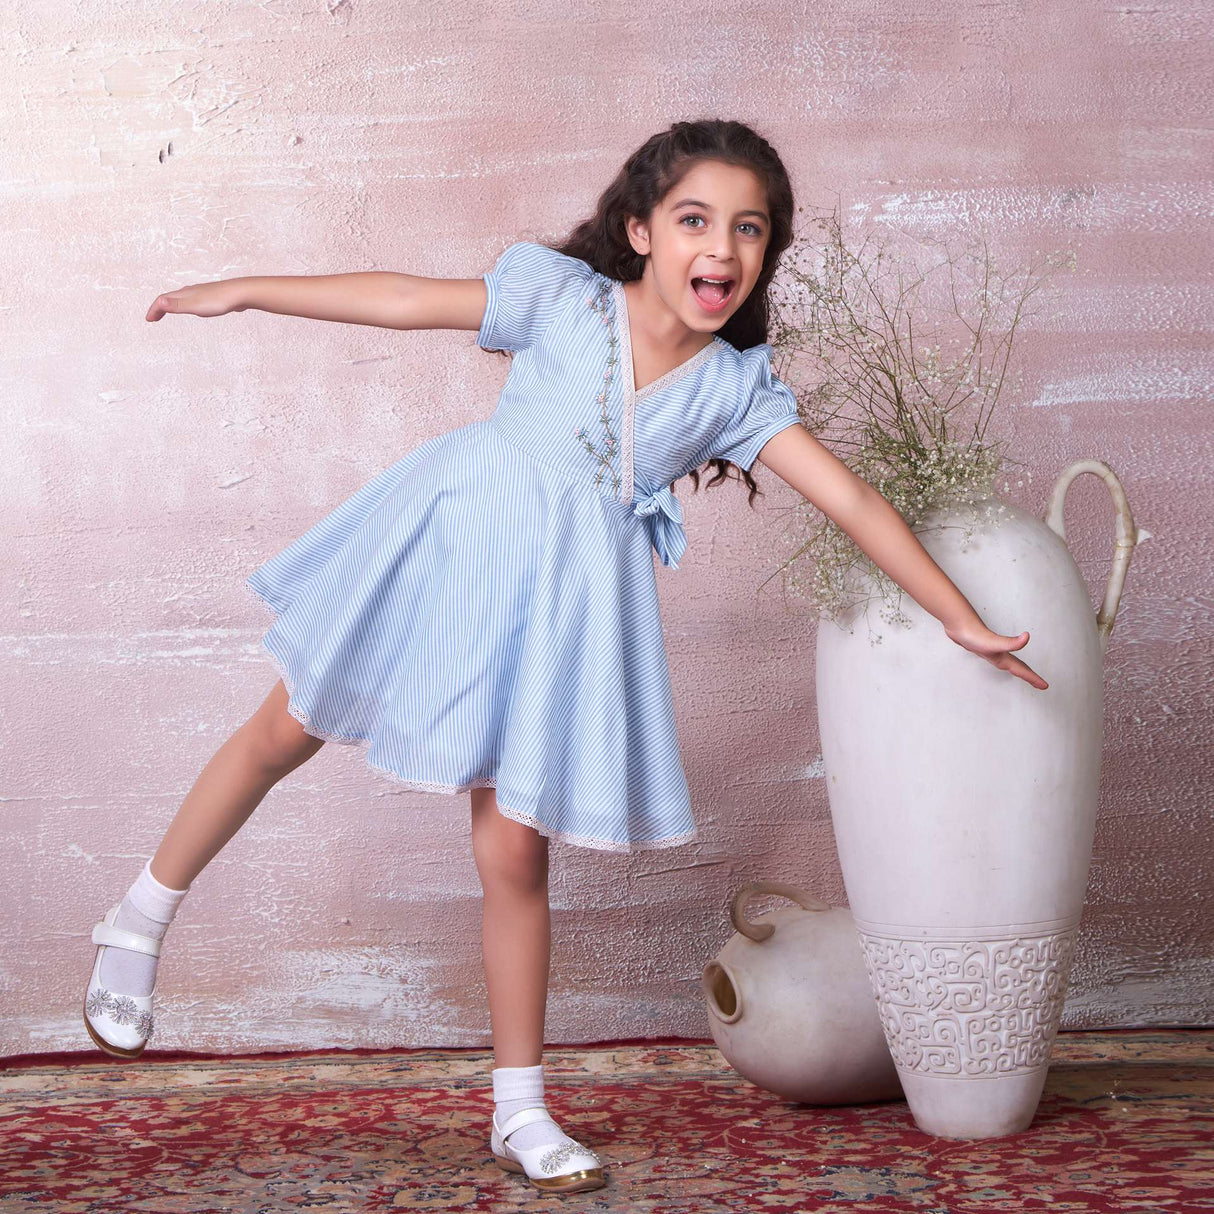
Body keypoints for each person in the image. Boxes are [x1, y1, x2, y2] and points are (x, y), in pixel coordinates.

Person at [83, 118, 1047, 1195]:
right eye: (693, 219)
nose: (719, 247)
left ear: (764, 255)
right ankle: (138, 915)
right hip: (447, 546)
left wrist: (955, 614)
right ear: (639, 231)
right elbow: (408, 297)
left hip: (554, 620)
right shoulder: (561, 300)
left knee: (512, 855)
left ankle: (518, 1107)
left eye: (748, 228)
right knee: (283, 727)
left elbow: (851, 498)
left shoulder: (732, 392)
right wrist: (246, 289)